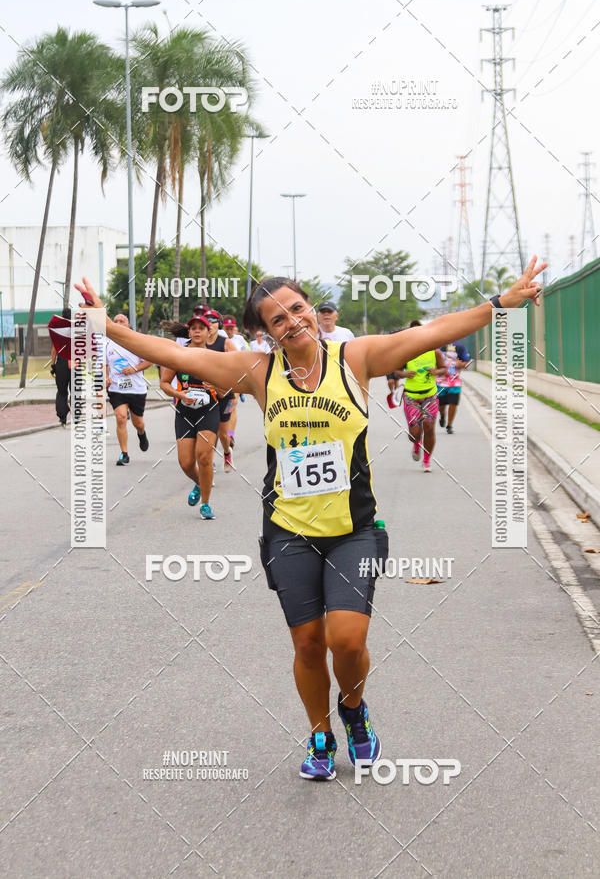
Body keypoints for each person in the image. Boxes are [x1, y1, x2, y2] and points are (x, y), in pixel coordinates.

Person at [76, 256, 545, 780]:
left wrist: (502, 302)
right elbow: (165, 350)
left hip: (355, 531)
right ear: (266, 333)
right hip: (288, 533)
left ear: (309, 309)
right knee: (307, 643)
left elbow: (435, 330)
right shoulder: (255, 372)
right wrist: (102, 321)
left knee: (347, 640)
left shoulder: (357, 356)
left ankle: (354, 710)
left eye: (297, 308)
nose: (293, 321)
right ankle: (320, 732)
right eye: (278, 319)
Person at [159, 313, 220, 518]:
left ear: (208, 331)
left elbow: (231, 387)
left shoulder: (216, 357)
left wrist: (218, 386)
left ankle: (206, 503)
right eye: (192, 327)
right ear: (188, 331)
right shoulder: (177, 354)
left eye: (200, 328)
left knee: (204, 457)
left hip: (209, 410)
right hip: (184, 411)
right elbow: (164, 383)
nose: (196, 331)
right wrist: (178, 394)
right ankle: (199, 482)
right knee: (185, 462)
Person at [392, 320, 446, 473]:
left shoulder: (434, 352)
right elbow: (396, 371)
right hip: (411, 397)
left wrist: (436, 372)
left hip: (430, 395)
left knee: (429, 428)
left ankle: (427, 460)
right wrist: (404, 373)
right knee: (414, 433)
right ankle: (417, 443)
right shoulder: (406, 352)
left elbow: (443, 369)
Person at [105, 313, 152, 465]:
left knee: (138, 422)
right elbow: (104, 364)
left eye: (122, 321)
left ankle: (141, 433)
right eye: (116, 320)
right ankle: (124, 454)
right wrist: (105, 377)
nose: (118, 323)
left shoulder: (136, 341)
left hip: (136, 388)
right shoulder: (107, 342)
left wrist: (134, 369)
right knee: (120, 418)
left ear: (128, 325)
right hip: (116, 388)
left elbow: (150, 360)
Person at [205, 309, 236, 471]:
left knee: (223, 434)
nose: (210, 323)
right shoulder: (199, 343)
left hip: (225, 394)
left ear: (219, 324)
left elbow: (238, 366)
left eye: (214, 320)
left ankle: (226, 452)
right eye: (207, 320)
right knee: (209, 432)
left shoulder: (226, 343)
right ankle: (208, 465)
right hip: (206, 395)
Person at [437, 341, 471, 434]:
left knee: (453, 403)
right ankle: (442, 415)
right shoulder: (437, 344)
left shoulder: (459, 346)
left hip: (454, 381)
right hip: (440, 382)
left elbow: (467, 362)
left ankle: (449, 425)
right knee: (441, 406)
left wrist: (462, 365)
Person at [50, 306, 72, 427]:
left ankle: (63, 418)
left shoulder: (58, 330)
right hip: (75, 362)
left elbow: (54, 350)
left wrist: (53, 365)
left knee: (62, 392)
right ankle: (77, 416)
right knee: (76, 390)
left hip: (62, 363)